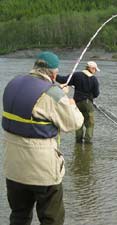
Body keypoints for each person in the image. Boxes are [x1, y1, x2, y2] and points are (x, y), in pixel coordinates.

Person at [2, 51, 84, 225]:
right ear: (54, 74)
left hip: (13, 168)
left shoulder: (12, 84)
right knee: (51, 220)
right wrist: (69, 101)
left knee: (19, 217)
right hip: (43, 171)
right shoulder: (53, 94)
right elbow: (74, 123)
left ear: (35, 67)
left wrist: (56, 92)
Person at [55, 61, 100, 144]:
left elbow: (64, 80)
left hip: (76, 102)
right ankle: (87, 142)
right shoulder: (94, 79)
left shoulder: (76, 75)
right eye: (95, 70)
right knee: (90, 124)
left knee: (78, 121)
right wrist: (90, 96)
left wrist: (54, 75)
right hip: (87, 103)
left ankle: (78, 141)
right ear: (91, 69)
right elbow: (96, 94)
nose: (95, 71)